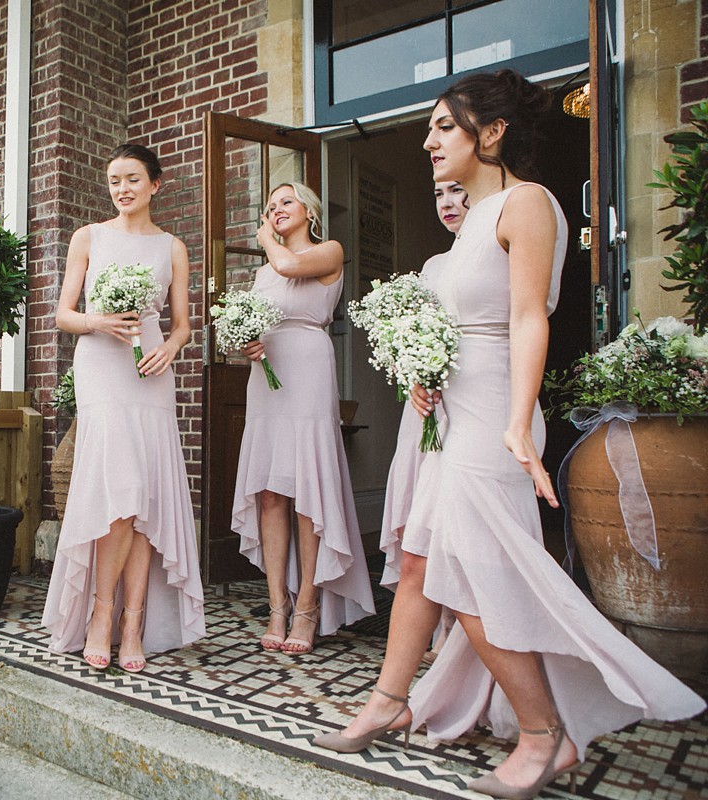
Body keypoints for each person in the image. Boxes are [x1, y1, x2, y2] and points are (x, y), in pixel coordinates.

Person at [315, 69, 705, 799]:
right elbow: (446, 324)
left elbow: (531, 318)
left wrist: (522, 425)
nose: (428, 140)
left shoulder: (527, 204)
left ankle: (541, 731)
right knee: (426, 559)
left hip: (495, 409)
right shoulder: (463, 234)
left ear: (490, 134)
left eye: (443, 126)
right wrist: (421, 372)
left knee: (474, 571)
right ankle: (389, 701)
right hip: (453, 410)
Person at [42, 142, 205, 673]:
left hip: (150, 373)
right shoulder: (88, 237)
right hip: (101, 369)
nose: (122, 189)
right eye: (114, 180)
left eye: (133, 179)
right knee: (119, 496)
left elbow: (181, 324)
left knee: (141, 501)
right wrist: (100, 322)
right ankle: (100, 611)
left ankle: (131, 621)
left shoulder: (172, 247)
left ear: (156, 184)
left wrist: (170, 347)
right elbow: (64, 315)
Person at [231, 182, 375, 654]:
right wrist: (243, 347)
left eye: (284, 202)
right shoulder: (263, 275)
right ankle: (277, 605)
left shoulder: (326, 251)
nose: (275, 210)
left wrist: (264, 236)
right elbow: (242, 335)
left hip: (309, 371)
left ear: (309, 212)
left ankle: (309, 608)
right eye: (269, 207)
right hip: (267, 381)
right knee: (271, 493)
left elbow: (289, 264)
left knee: (308, 494)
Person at [379, 181, 468, 663]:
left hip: (467, 405)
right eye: (439, 196)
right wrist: (413, 377)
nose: (449, 204)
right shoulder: (432, 268)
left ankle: (460, 625)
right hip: (425, 409)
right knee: (422, 518)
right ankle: (436, 626)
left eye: (458, 193)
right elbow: (407, 339)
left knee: (457, 516)